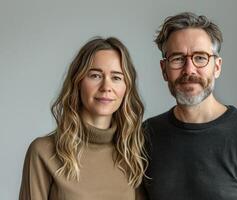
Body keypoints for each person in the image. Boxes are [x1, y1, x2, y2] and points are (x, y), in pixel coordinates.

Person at [143, 12, 237, 200]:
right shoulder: (146, 136)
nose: (189, 69)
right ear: (164, 69)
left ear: (217, 67)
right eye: (178, 59)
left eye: (200, 57)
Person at [19, 37, 147, 200]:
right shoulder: (43, 152)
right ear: (78, 82)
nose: (106, 87)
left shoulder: (134, 155)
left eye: (116, 77)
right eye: (95, 75)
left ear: (126, 88)